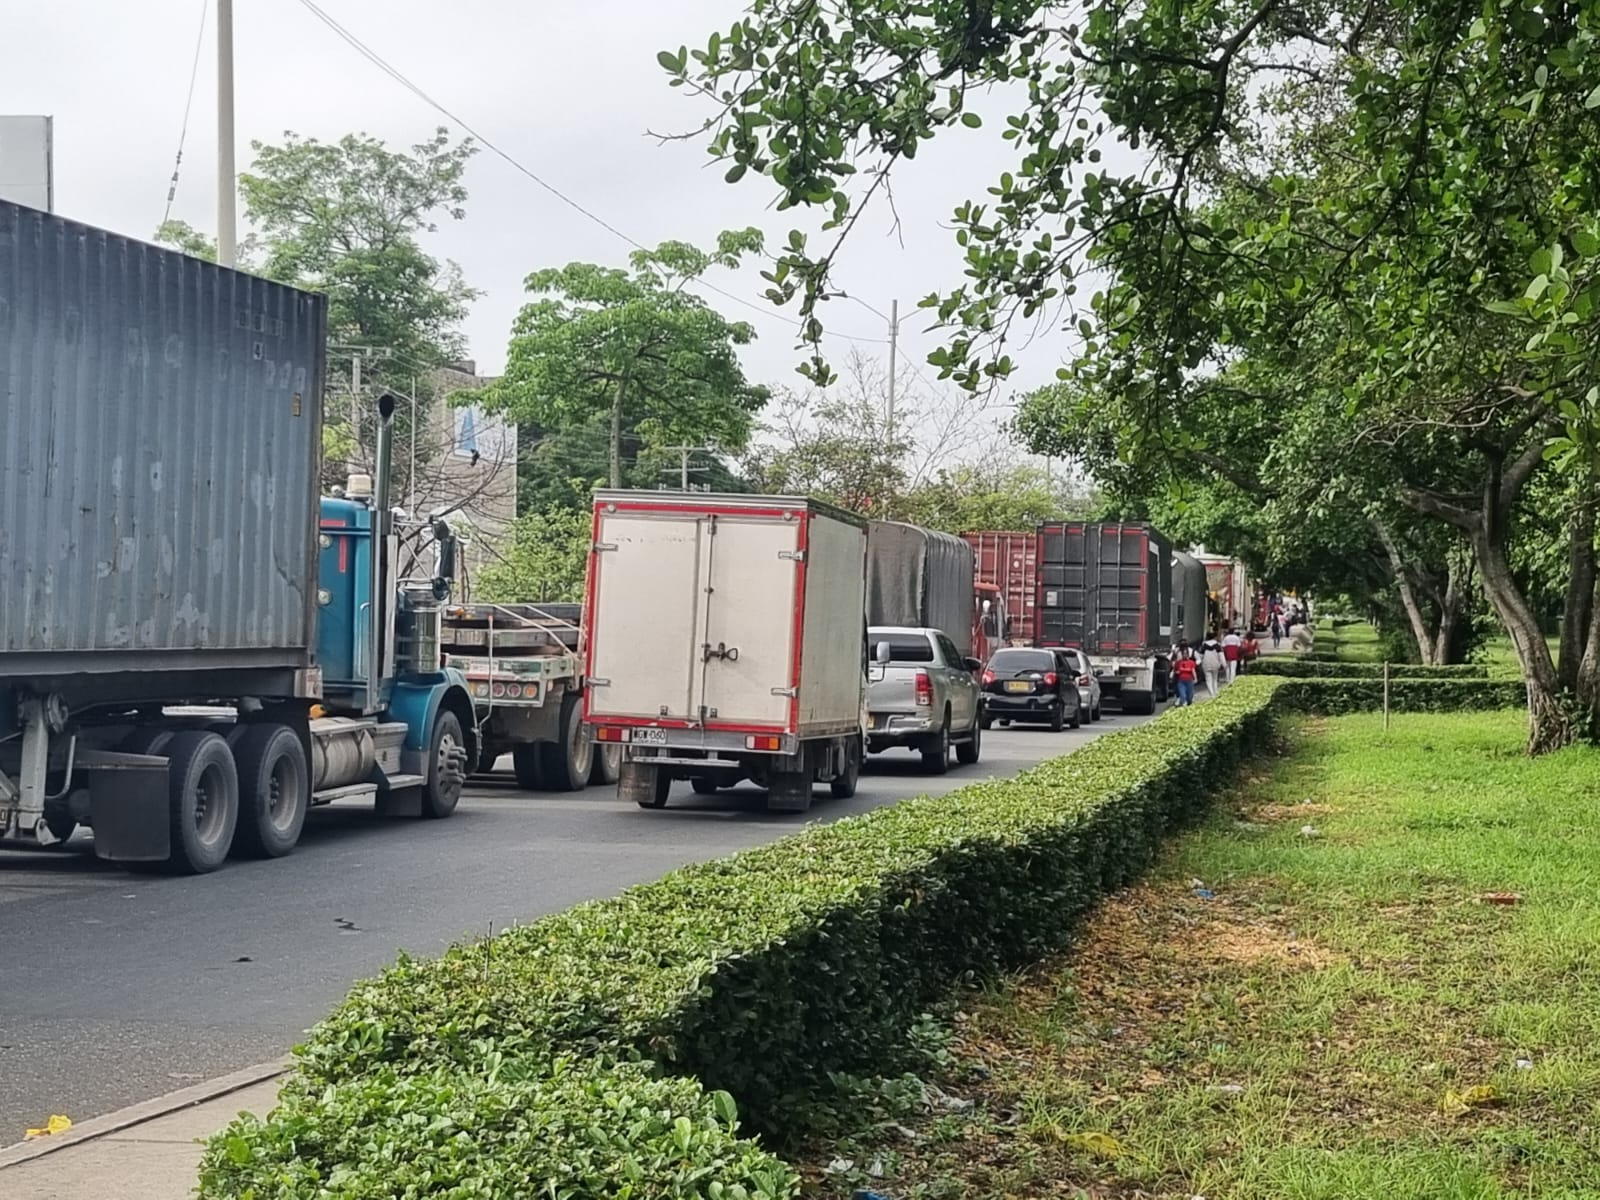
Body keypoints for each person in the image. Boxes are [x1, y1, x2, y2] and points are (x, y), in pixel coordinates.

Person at [1171, 641, 1199, 707]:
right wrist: (1175, 673)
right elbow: (1174, 667)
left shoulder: (1191, 660)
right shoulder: (1177, 657)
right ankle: (1182, 701)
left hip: (1189, 680)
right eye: (1184, 654)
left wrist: (1195, 678)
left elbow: (1193, 670)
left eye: (1186, 654)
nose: (1185, 655)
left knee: (1190, 696)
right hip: (1181, 680)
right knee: (1182, 693)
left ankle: (1188, 701)